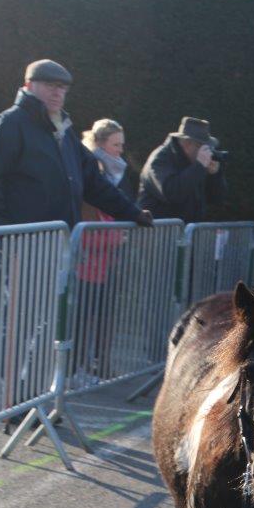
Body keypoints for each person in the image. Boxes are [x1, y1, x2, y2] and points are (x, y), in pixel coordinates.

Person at [0, 59, 152, 228]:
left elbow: (93, 182)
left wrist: (133, 212)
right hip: (21, 242)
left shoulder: (64, 132)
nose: (57, 92)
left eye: (62, 87)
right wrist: (2, 239)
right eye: (50, 85)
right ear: (28, 85)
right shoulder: (9, 125)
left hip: (61, 239)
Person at [75, 119, 137, 384]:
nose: (121, 151)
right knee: (81, 321)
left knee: (100, 316)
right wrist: (117, 239)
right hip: (86, 266)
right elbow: (90, 229)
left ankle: (92, 366)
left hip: (104, 265)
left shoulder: (118, 173)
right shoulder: (92, 175)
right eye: (116, 145)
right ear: (100, 144)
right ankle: (74, 371)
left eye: (122, 145)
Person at [137, 116, 226, 224]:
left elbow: (216, 199)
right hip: (156, 236)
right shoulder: (159, 160)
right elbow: (172, 193)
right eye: (201, 146)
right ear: (187, 143)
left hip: (184, 235)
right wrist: (199, 166)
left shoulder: (196, 164)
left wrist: (214, 175)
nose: (207, 151)